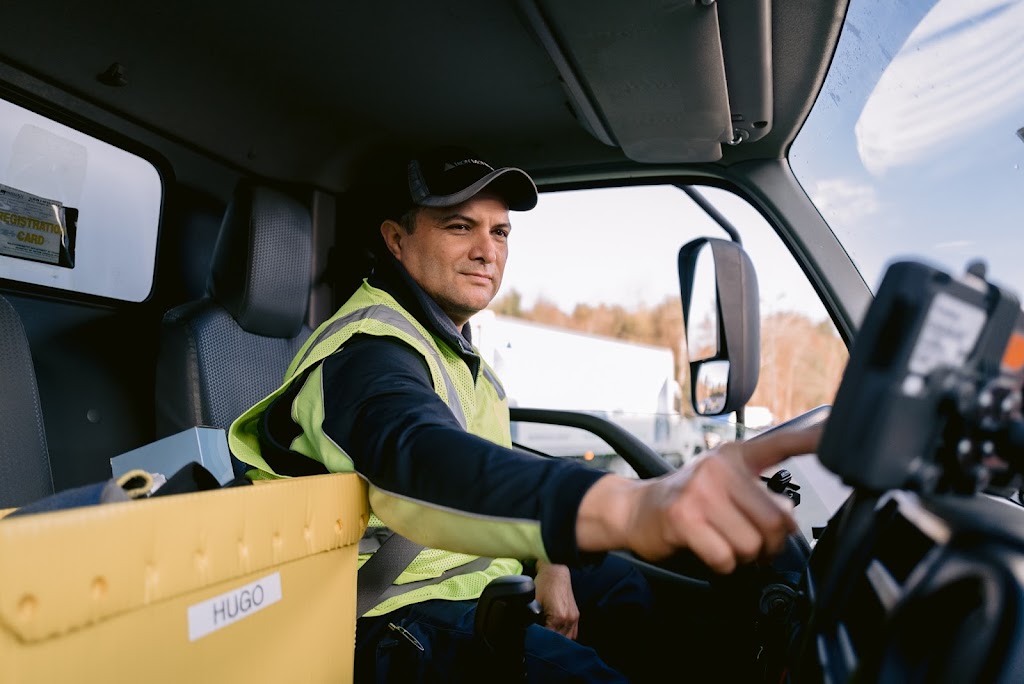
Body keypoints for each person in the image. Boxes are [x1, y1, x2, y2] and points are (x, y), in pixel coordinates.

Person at [228, 145, 822, 682]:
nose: (487, 250)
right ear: (396, 239)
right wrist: (626, 504)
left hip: (474, 584)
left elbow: (495, 462)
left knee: (624, 592)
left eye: (501, 232)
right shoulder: (367, 351)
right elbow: (419, 459)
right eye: (460, 227)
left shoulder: (456, 354)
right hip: (388, 615)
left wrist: (551, 559)